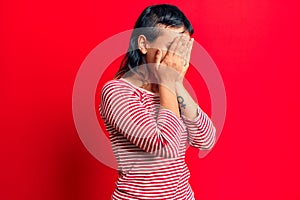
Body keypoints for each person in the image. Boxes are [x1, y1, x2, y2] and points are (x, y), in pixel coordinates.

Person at [99, 4, 216, 200]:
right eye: (171, 47)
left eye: (182, 48)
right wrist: (169, 81)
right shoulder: (116, 92)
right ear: (144, 44)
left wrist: (174, 83)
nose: (175, 58)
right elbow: (163, 145)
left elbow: (205, 140)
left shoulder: (170, 87)